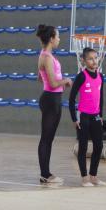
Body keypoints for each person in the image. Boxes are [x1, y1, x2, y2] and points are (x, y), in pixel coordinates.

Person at [35, 24, 72, 185]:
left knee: (48, 138)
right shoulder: (47, 57)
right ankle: (45, 174)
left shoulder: (44, 55)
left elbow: (40, 77)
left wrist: (57, 81)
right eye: (57, 36)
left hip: (51, 97)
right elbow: (51, 81)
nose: (59, 39)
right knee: (46, 138)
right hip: (51, 99)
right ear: (51, 39)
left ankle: (46, 173)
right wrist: (66, 81)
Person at [68, 47, 106, 186]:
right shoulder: (81, 76)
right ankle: (84, 177)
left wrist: (101, 115)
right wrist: (74, 118)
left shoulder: (101, 76)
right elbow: (71, 98)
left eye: (95, 58)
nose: (94, 61)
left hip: (95, 116)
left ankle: (93, 175)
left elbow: (101, 97)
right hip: (83, 116)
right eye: (90, 58)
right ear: (83, 60)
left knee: (99, 146)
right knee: (83, 147)